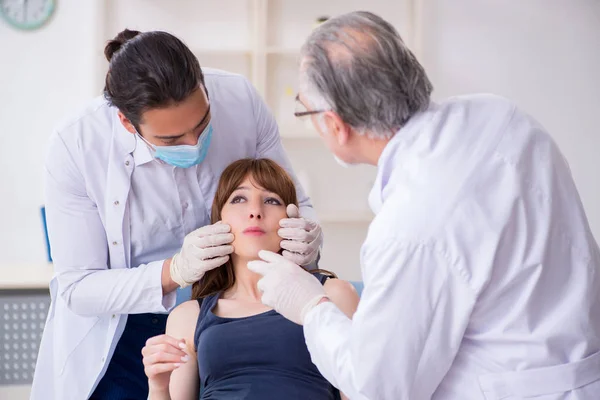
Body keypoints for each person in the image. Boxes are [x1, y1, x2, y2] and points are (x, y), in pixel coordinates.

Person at [247, 11, 600, 400]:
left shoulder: (411, 227)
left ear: (335, 124)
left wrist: (310, 306)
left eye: (304, 109)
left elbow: (378, 387)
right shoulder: (500, 114)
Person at [31, 29, 324, 400]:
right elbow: (78, 287)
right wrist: (175, 271)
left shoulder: (240, 99)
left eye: (202, 125)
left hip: (219, 311)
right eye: (171, 140)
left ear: (204, 86)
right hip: (125, 324)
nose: (194, 144)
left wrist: (308, 237)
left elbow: (290, 197)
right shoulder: (76, 145)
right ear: (126, 123)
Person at [141, 158, 359, 400]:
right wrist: (158, 387)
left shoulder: (333, 296)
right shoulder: (187, 316)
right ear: (218, 219)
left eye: (271, 200)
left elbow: (364, 390)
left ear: (292, 219)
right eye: (239, 199)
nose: (255, 211)